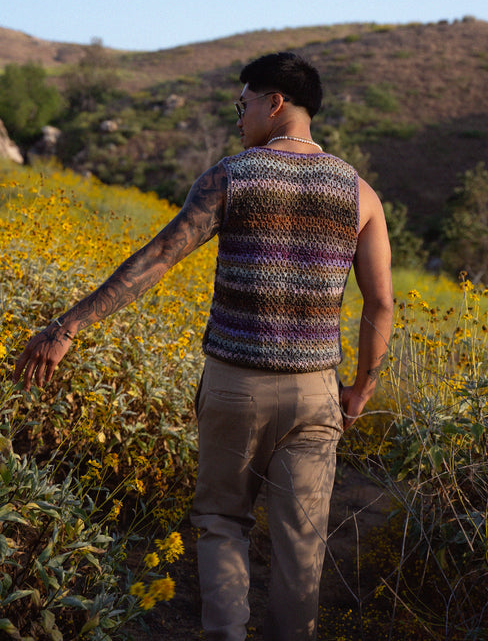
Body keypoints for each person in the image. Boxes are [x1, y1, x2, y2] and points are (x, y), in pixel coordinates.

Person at [15, 52, 393, 641]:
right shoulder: (361, 194)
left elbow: (158, 260)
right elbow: (381, 305)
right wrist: (361, 389)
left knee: (222, 520)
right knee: (302, 542)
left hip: (234, 386)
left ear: (275, 103)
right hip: (315, 393)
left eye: (243, 104)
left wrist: (66, 329)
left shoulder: (231, 176)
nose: (237, 116)